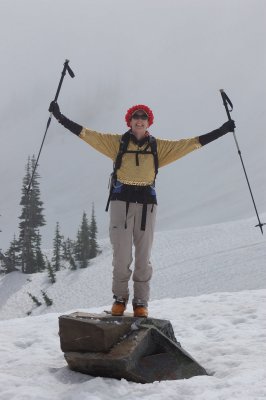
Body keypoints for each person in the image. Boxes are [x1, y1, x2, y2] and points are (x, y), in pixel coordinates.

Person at [49, 100, 235, 317]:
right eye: (136, 117)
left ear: (149, 123)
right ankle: (120, 299)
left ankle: (140, 303)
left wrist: (222, 131)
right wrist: (61, 118)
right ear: (129, 121)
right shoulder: (116, 143)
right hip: (121, 203)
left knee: (143, 257)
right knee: (121, 255)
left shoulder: (159, 147)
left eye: (143, 117)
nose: (139, 120)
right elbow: (88, 135)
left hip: (147, 205)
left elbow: (190, 144)